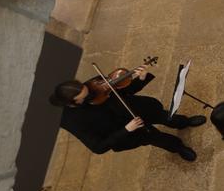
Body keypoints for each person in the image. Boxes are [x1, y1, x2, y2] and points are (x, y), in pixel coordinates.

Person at [50, 63, 204, 162]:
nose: (90, 93)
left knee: (164, 116)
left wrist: (141, 79)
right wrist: (126, 130)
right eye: (84, 97)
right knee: (156, 138)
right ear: (72, 102)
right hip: (127, 131)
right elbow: (97, 147)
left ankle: (184, 122)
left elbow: (121, 92)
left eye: (86, 90)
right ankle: (178, 147)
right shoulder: (71, 121)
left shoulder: (90, 86)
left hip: (135, 108)